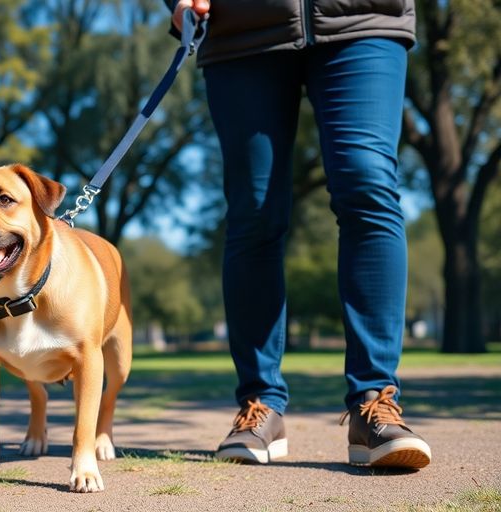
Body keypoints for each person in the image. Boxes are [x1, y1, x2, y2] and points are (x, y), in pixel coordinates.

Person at [166, 0, 432, 468]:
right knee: (254, 210)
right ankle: (259, 404)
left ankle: (375, 401)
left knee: (368, 185)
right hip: (242, 29)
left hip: (363, 19)